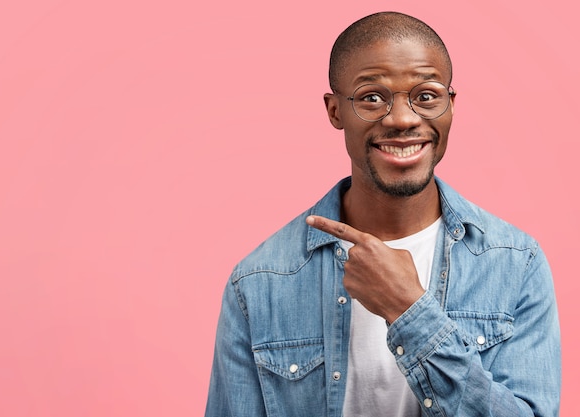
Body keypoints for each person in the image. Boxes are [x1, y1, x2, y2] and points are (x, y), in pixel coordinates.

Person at [205, 11, 561, 417]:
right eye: (372, 97)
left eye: (426, 95)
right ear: (335, 111)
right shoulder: (259, 282)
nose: (403, 119)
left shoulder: (516, 264)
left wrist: (408, 309)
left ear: (450, 105)